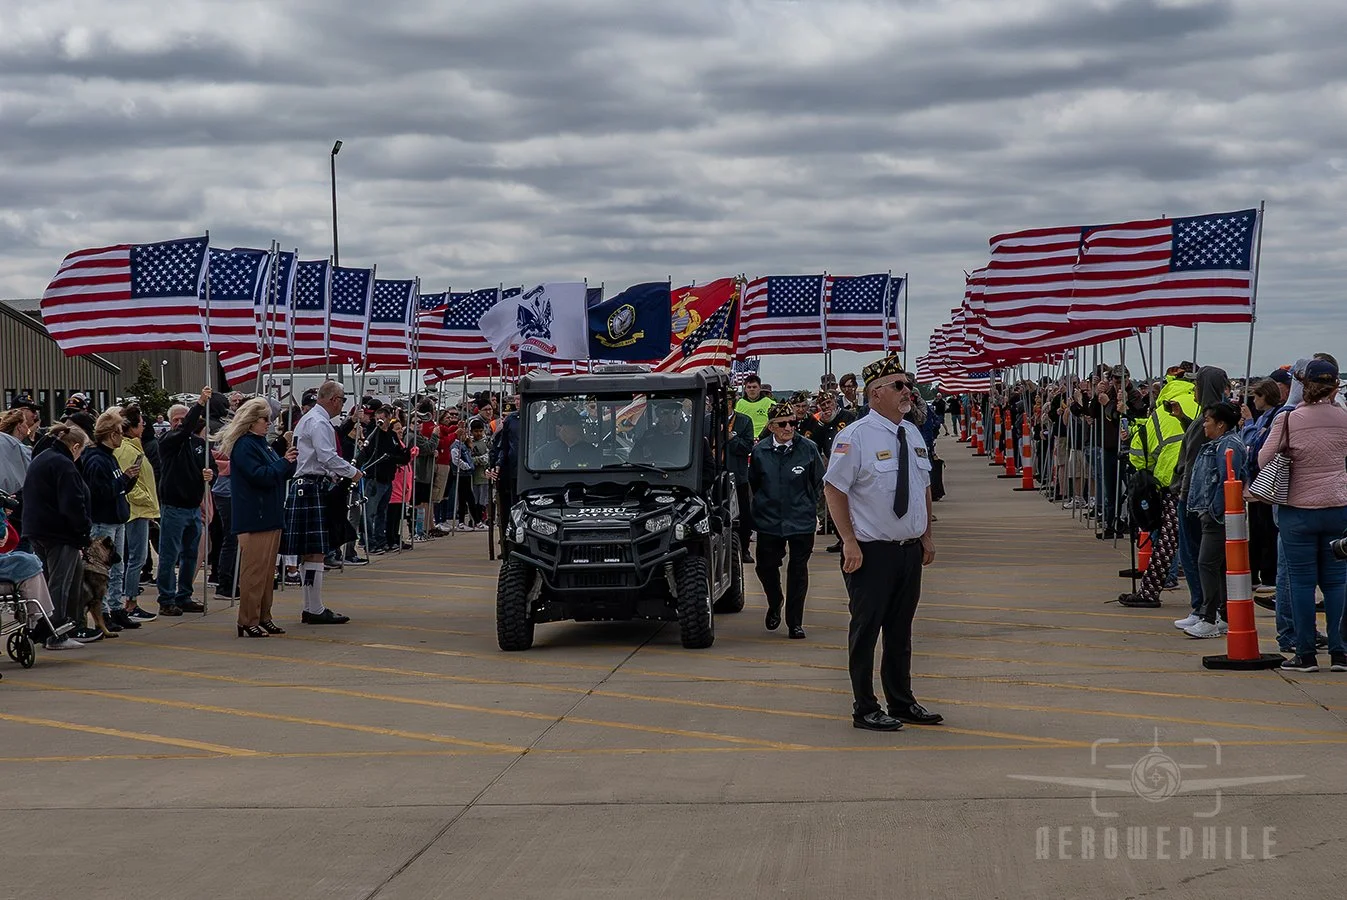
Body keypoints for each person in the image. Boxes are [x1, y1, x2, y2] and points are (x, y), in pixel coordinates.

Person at [824, 357, 941, 732]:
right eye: (899, 386)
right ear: (876, 394)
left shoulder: (911, 434)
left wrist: (925, 535)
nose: (908, 391)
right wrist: (849, 541)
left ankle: (901, 700)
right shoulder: (855, 436)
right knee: (866, 630)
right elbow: (834, 488)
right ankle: (865, 706)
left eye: (908, 385)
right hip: (872, 551)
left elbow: (922, 486)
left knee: (900, 630)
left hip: (908, 550)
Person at [1260, 359, 1347, 673]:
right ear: (1336, 385)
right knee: (1336, 583)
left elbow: (1263, 457)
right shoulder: (1343, 416)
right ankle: (1340, 651)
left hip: (1298, 509)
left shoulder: (1289, 419)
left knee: (1301, 583)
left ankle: (1305, 653)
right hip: (1337, 507)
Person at [218, 398, 297, 637]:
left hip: (270, 513)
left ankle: (264, 615)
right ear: (251, 421)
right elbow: (259, 475)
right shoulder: (245, 446)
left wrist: (288, 459)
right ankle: (248, 618)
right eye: (265, 419)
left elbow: (277, 473)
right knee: (254, 572)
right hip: (256, 515)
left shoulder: (263, 444)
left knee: (267, 572)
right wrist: (283, 463)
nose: (269, 423)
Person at [285, 381, 360, 625]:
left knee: (311, 552)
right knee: (315, 551)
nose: (342, 405)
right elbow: (326, 455)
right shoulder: (318, 421)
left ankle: (311, 606)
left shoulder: (311, 418)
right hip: (310, 485)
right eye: (342, 400)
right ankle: (315, 608)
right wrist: (352, 472)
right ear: (334, 399)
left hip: (306, 485)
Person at [749, 402, 824, 639]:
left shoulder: (808, 448)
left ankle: (795, 622)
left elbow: (818, 482)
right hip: (769, 520)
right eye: (783, 424)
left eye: (793, 423)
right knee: (766, 566)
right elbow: (754, 483)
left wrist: (811, 509)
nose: (789, 428)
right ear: (771, 427)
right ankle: (775, 601)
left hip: (800, 519)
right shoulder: (761, 451)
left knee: (798, 570)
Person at [1178, 402, 1247, 638]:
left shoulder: (1228, 446)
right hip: (1211, 514)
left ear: (1220, 423)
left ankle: (1209, 617)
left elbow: (1227, 480)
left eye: (1208, 420)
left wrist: (1213, 512)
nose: (1204, 424)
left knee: (1206, 563)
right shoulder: (1219, 444)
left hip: (1217, 518)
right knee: (1215, 565)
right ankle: (1221, 615)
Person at [21, 424, 94, 638]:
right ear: (76, 447)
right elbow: (72, 504)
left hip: (37, 529)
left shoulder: (43, 458)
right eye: (81, 451)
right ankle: (55, 631)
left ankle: (51, 625)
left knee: (49, 580)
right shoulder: (64, 465)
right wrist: (83, 532)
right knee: (60, 583)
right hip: (59, 532)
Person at [155, 389, 215, 616]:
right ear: (170, 423)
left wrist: (211, 475)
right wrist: (199, 403)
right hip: (174, 508)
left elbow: (212, 468)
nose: (180, 422)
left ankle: (184, 595)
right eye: (176, 419)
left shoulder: (199, 444)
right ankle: (166, 598)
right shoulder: (168, 441)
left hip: (193, 507)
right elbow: (185, 430)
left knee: (191, 555)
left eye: (183, 418)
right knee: (169, 556)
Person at [83, 408, 142, 631]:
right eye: (118, 431)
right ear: (110, 434)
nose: (122, 435)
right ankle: (104, 612)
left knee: (118, 567)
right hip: (103, 521)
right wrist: (123, 479)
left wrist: (129, 480)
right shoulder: (97, 460)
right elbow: (100, 493)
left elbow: (117, 489)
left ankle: (116, 609)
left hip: (117, 518)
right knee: (101, 571)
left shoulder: (111, 458)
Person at [112, 405, 159, 622]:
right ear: (131, 427)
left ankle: (130, 600)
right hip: (135, 510)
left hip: (140, 510)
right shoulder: (127, 450)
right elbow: (128, 481)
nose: (144, 426)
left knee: (136, 557)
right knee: (136, 558)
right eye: (141, 422)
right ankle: (130, 601)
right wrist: (147, 501)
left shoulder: (134, 447)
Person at [725, 402, 755, 563]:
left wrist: (732, 438)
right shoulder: (708, 419)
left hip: (737, 476)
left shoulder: (744, 421)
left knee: (743, 515)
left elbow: (747, 447)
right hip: (715, 476)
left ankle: (744, 549)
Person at [532, 406, 603, 469]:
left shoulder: (591, 452)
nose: (577, 430)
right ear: (558, 429)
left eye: (577, 425)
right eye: (570, 427)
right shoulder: (543, 454)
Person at [631, 401, 689, 467]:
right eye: (665, 413)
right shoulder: (649, 436)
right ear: (657, 414)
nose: (671, 418)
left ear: (681, 413)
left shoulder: (689, 435)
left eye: (675, 412)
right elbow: (634, 460)